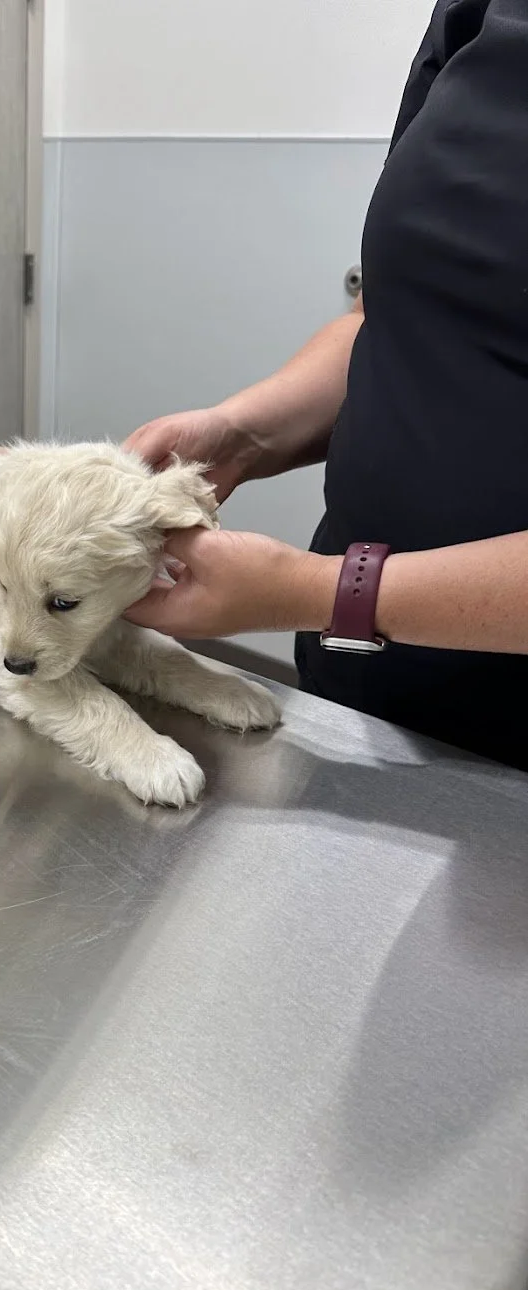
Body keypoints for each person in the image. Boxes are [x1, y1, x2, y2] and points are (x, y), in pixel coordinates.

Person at [123, 0, 528, 772]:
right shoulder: (472, 14)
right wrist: (239, 433)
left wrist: (319, 591)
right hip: (364, 678)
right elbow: (387, 318)